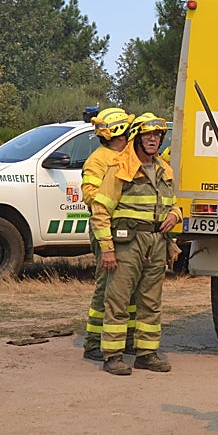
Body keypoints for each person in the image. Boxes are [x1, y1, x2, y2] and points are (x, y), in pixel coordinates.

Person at [90, 112, 179, 377]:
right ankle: (113, 356)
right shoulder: (120, 167)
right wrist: (107, 249)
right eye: (148, 135)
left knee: (151, 302)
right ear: (136, 138)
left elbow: (173, 203)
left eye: (157, 135)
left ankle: (146, 354)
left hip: (156, 242)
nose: (153, 139)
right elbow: (100, 210)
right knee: (117, 300)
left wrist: (176, 215)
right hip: (128, 243)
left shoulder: (165, 169)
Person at [80, 107, 135, 361]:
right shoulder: (98, 160)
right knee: (106, 286)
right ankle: (93, 343)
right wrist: (114, 200)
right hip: (106, 228)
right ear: (120, 132)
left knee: (129, 286)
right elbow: (90, 195)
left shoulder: (128, 154)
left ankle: (127, 339)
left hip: (127, 230)